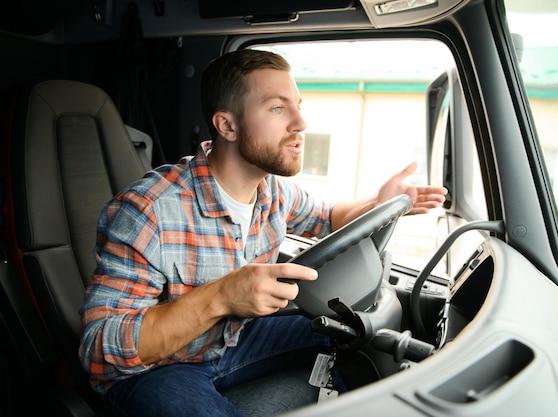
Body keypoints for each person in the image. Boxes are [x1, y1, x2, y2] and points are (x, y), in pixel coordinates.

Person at [78, 48, 447, 417]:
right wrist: (222, 295)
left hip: (237, 338)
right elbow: (98, 350)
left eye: (298, 106)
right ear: (228, 126)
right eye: (277, 108)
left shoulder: (271, 190)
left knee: (356, 335)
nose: (301, 122)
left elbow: (329, 216)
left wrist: (378, 202)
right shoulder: (148, 211)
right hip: (159, 369)